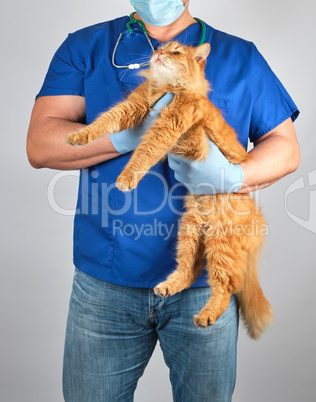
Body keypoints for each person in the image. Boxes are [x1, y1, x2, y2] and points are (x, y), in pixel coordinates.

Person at [26, 0, 300, 400]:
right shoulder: (86, 47)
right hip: (105, 281)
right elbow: (40, 145)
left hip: (204, 279)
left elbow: (286, 148)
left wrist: (233, 175)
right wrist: (123, 137)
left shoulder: (241, 56)